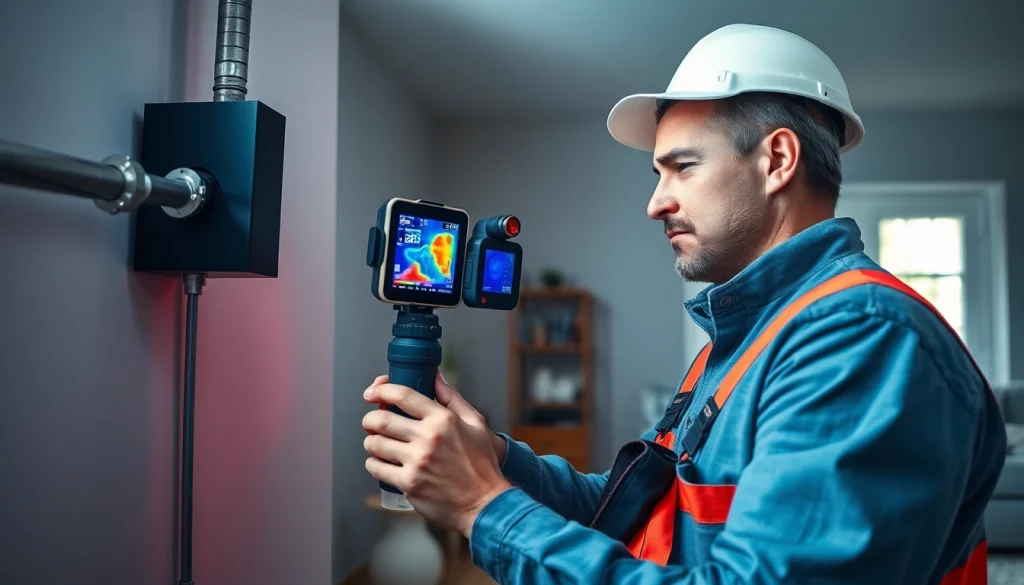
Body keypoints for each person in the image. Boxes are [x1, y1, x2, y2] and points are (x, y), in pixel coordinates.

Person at [361, 23, 1008, 585]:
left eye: (684, 167)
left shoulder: (863, 342)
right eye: (657, 173)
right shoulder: (743, 343)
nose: (656, 201)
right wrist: (493, 459)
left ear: (777, 159)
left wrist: (482, 506)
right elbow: (634, 511)